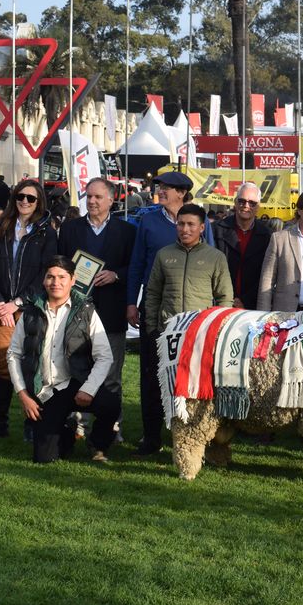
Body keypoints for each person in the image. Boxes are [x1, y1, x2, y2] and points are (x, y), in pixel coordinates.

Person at [6, 256, 117, 464]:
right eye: (50, 277)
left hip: (76, 382)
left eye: (61, 277)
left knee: (111, 403)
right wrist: (23, 395)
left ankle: (98, 442)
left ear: (73, 280)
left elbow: (104, 356)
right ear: (43, 280)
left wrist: (89, 389)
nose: (55, 282)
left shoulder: (86, 310)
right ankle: (67, 433)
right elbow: (13, 354)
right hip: (45, 390)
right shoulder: (30, 311)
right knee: (44, 458)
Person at [0, 180, 58, 441]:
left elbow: (45, 273)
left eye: (31, 198)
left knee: (32, 365)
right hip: (2, 308)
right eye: (21, 196)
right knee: (3, 365)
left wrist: (19, 302)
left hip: (31, 307)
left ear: (39, 202)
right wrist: (1, 303)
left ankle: (31, 423)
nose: (25, 201)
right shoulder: (1, 228)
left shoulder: (46, 232)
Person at [126, 171, 195, 456]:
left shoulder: (196, 219)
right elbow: (136, 263)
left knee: (188, 374)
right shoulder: (149, 221)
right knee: (151, 373)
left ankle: (188, 434)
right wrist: (131, 302)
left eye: (166, 188)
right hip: (153, 310)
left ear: (181, 192)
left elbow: (211, 259)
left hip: (189, 310)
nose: (160, 191)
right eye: (160, 187)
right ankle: (151, 435)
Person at [57, 177, 136, 411]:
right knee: (76, 372)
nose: (92, 201)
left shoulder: (128, 231)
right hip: (77, 312)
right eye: (89, 196)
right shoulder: (70, 229)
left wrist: (116, 275)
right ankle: (78, 425)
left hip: (112, 311)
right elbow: (60, 265)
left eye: (98, 197)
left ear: (111, 200)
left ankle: (111, 427)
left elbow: (135, 266)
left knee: (111, 374)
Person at [145, 203, 232, 338]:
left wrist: (218, 329)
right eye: (181, 224)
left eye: (191, 224)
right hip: (168, 330)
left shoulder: (216, 257)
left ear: (202, 227)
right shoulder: (163, 254)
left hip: (201, 332)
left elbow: (225, 297)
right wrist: (151, 328)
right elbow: (153, 293)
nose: (185, 229)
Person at [213, 182, 272, 309]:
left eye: (252, 203)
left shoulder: (267, 235)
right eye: (242, 201)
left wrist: (245, 300)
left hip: (253, 304)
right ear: (235, 202)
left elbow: (267, 273)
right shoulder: (217, 230)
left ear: (258, 207)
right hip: (222, 302)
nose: (246, 206)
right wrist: (228, 298)